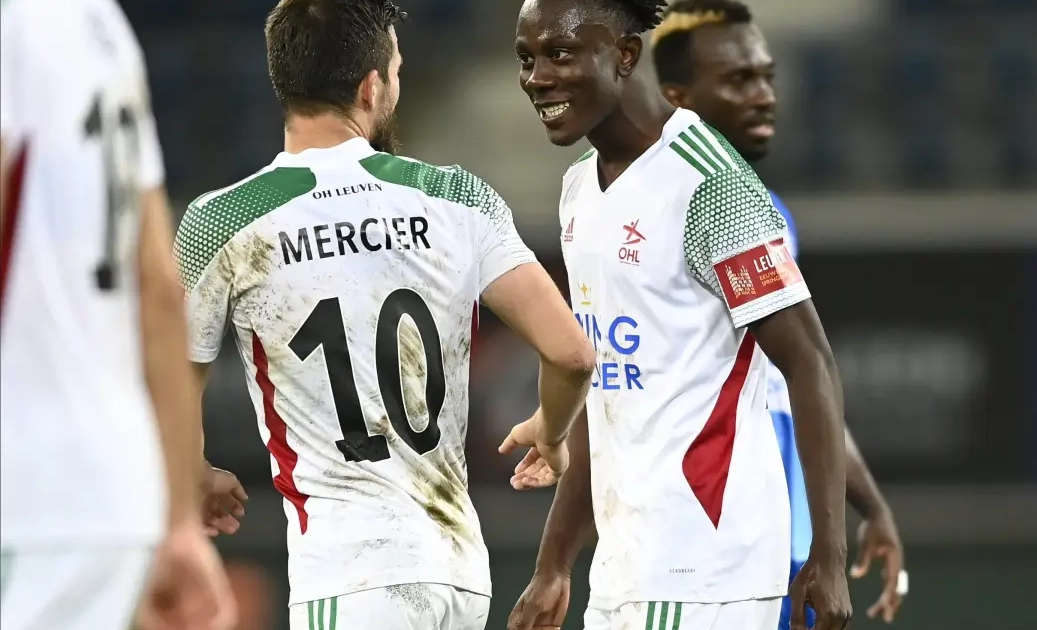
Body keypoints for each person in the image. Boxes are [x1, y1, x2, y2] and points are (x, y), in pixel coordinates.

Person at [173, 1, 595, 629]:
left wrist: (193, 470)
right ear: (372, 86)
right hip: (458, 572)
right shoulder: (457, 196)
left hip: (348, 573)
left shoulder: (223, 221)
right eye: (397, 69)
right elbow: (573, 354)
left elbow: (165, 379)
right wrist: (551, 430)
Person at [509, 1, 853, 629]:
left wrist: (829, 556)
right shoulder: (578, 188)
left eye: (560, 54)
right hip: (626, 567)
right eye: (526, 59)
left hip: (704, 564)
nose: (537, 78)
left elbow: (809, 361)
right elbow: (603, 385)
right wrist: (554, 562)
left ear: (625, 55)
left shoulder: (709, 183)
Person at [651, 1, 908, 625]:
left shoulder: (762, 211)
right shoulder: (652, 210)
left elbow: (789, 386)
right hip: (703, 552)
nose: (765, 95)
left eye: (767, 77)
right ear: (676, 98)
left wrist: (870, 506)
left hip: (778, 547)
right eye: (740, 79)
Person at [0, 0, 236, 629]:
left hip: (22, 490)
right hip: (109, 496)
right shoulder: (102, 27)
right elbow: (158, 285)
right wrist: (178, 520)